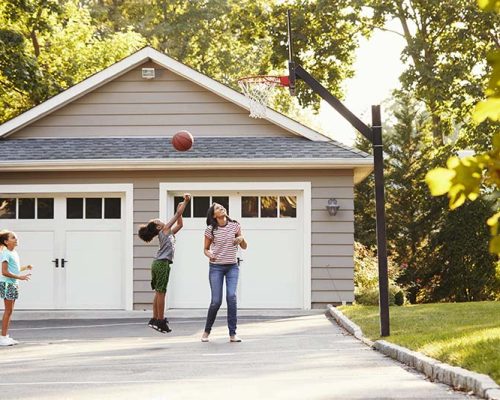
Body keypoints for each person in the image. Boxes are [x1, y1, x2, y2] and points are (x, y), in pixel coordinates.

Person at [138, 193, 191, 333]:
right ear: (157, 227)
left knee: (158, 291)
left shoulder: (168, 233)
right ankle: (160, 320)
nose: (162, 220)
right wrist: (186, 201)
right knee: (161, 292)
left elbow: (180, 224)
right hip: (161, 264)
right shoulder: (164, 230)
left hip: (158, 263)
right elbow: (177, 213)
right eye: (159, 220)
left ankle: (155, 319)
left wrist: (180, 211)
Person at [201, 202, 247, 343]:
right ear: (214, 215)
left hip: (232, 267)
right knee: (216, 301)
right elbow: (206, 249)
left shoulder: (235, 225)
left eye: (222, 207)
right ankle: (207, 331)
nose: (222, 208)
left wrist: (241, 239)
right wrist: (210, 255)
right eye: (218, 208)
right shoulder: (210, 229)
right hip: (216, 268)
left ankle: (233, 334)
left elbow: (244, 246)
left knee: (231, 297)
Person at [0, 231, 32, 346]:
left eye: (16, 237)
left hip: (13, 284)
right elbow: (4, 272)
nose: (16, 239)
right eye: (13, 238)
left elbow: (15, 269)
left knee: (10, 311)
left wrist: (25, 267)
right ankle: (2, 338)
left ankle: (5, 336)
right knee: (8, 311)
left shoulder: (14, 253)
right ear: (6, 242)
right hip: (7, 284)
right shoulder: (5, 254)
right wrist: (20, 277)